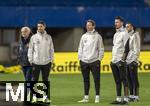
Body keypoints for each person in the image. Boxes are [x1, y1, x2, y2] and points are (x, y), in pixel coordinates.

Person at [78, 19, 104, 103]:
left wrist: (99, 59)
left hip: (94, 61)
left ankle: (97, 97)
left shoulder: (98, 36)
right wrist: (80, 58)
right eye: (87, 25)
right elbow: (80, 48)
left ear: (93, 26)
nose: (87, 26)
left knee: (96, 80)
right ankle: (86, 97)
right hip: (84, 61)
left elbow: (101, 49)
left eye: (89, 25)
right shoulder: (84, 36)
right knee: (86, 80)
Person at [28, 21, 54, 103]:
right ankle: (35, 97)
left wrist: (52, 59)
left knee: (45, 80)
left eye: (41, 26)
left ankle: (45, 97)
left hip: (46, 62)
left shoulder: (49, 37)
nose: (39, 28)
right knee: (34, 80)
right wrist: (30, 60)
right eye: (38, 26)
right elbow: (30, 49)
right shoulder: (33, 37)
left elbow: (51, 49)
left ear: (44, 27)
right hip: (36, 62)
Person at [110, 16, 130, 105]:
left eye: (117, 22)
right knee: (117, 81)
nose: (115, 24)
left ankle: (126, 99)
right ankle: (118, 99)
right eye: (115, 22)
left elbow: (127, 47)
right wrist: (112, 60)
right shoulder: (116, 34)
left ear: (122, 23)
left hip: (120, 61)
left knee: (124, 80)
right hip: (114, 61)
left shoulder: (125, 33)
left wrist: (122, 60)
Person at [125, 22, 140, 102]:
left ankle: (136, 96)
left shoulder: (135, 35)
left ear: (132, 27)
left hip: (132, 60)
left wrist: (134, 59)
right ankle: (131, 95)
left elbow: (137, 49)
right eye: (126, 27)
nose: (127, 28)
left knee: (134, 78)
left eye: (128, 26)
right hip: (127, 60)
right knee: (129, 79)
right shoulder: (129, 36)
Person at [17, 26, 32, 105]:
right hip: (23, 64)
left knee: (27, 81)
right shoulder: (21, 40)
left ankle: (25, 99)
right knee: (29, 81)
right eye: (23, 32)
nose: (24, 33)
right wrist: (19, 62)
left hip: (30, 64)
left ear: (29, 32)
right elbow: (19, 51)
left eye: (25, 32)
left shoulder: (33, 40)